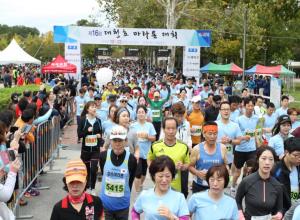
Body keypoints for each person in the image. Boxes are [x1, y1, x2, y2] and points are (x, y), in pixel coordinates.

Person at [132, 156, 189, 220]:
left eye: (167, 176)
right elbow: (135, 211)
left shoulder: (179, 197)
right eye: (160, 176)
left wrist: (173, 217)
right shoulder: (145, 195)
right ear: (153, 176)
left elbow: (185, 218)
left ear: (172, 176)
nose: (164, 180)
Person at [99, 125, 137, 219]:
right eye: (114, 140)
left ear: (126, 141)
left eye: (120, 140)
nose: (117, 143)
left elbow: (130, 181)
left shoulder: (131, 159)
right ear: (110, 141)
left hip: (122, 206)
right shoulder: (103, 156)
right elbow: (104, 174)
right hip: (105, 205)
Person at [236, 146, 283, 220]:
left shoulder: (277, 185)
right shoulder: (246, 181)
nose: (267, 162)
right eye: (263, 158)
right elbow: (237, 200)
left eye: (271, 159)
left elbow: (280, 208)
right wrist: (240, 215)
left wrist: (279, 215)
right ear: (258, 160)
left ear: (274, 162)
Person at [147, 117, 190, 193]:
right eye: (168, 128)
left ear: (177, 129)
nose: (171, 131)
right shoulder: (155, 146)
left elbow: (187, 163)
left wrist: (182, 167)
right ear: (163, 129)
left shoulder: (184, 147)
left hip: (176, 188)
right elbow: (149, 158)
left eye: (173, 128)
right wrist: (153, 170)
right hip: (159, 186)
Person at [189, 121, 228, 193]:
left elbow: (226, 165)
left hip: (217, 186)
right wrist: (198, 173)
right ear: (204, 134)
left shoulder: (223, 148)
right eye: (210, 134)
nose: (212, 137)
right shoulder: (197, 149)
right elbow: (190, 166)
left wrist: (226, 172)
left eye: (215, 134)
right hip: (200, 186)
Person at [231, 97, 259, 194]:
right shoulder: (238, 119)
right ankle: (233, 186)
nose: (250, 108)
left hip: (252, 149)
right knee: (238, 172)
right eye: (249, 105)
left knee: (251, 169)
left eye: (252, 105)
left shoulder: (257, 118)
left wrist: (258, 139)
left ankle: (247, 186)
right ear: (244, 105)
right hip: (240, 149)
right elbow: (234, 135)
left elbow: (257, 131)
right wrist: (243, 137)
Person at [77, 101, 103, 194]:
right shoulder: (83, 120)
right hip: (86, 150)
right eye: (92, 107)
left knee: (93, 169)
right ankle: (87, 186)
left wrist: (99, 136)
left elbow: (100, 133)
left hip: (95, 150)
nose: (94, 108)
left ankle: (93, 188)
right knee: (87, 170)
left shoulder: (98, 121)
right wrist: (87, 131)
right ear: (87, 109)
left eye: (95, 107)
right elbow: (79, 135)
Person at [131, 105, 156, 192]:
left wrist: (147, 137)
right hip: (136, 153)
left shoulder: (150, 125)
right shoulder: (133, 126)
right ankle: (137, 190)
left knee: (144, 173)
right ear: (136, 114)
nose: (141, 114)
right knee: (137, 173)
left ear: (146, 114)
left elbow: (154, 138)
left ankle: (140, 184)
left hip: (146, 153)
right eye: (139, 112)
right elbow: (130, 137)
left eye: (142, 112)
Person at [273, 137, 300, 215]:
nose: (299, 158)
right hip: (284, 213)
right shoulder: (276, 171)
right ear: (286, 152)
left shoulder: (298, 166)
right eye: (296, 155)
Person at [216, 101, 242, 167]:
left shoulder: (235, 125)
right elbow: (208, 141)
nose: (226, 111)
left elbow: (239, 141)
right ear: (220, 111)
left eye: (228, 109)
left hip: (229, 160)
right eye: (224, 109)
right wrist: (221, 142)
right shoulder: (215, 124)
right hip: (215, 158)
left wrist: (230, 141)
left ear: (230, 111)